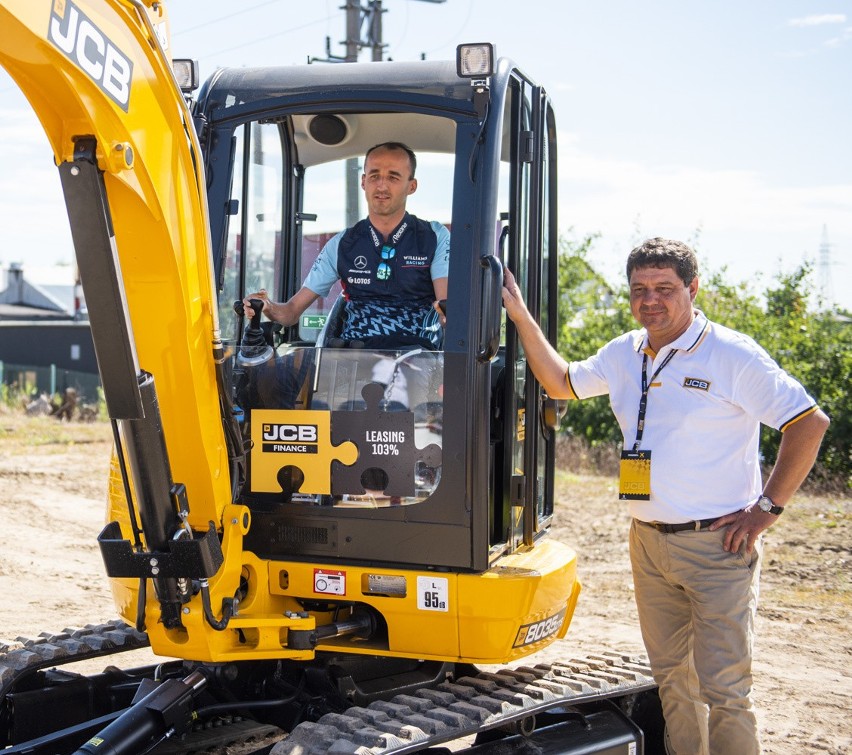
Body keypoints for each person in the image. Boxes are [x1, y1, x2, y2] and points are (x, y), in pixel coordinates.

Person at [501, 237, 829, 755]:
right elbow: (561, 382)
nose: (650, 300)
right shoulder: (625, 352)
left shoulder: (731, 355)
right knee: (673, 680)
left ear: (693, 289)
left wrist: (766, 510)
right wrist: (519, 317)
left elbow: (809, 424)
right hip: (649, 543)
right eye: (639, 290)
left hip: (719, 546)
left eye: (664, 289)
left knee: (725, 690)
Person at [243, 141, 449, 350]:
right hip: (353, 359)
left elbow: (446, 308)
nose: (382, 186)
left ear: (411, 186)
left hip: (418, 359)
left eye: (393, 177)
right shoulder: (342, 244)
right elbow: (290, 312)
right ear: (363, 181)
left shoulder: (435, 237)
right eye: (374, 176)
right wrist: (267, 307)